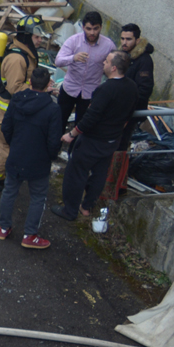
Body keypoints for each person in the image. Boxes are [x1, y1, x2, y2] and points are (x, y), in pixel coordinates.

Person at [52, 50, 138, 220]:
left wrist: (72, 134)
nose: (103, 63)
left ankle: (69, 210)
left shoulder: (105, 89)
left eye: (106, 61)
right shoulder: (132, 87)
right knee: (99, 174)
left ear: (113, 68)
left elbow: (91, 117)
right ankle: (86, 207)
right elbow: (129, 114)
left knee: (76, 172)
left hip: (93, 140)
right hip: (112, 140)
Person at [0, 13, 43, 191]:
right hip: (6, 110)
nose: (40, 40)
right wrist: (39, 89)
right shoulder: (17, 59)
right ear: (27, 36)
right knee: (5, 147)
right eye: (37, 37)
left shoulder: (24, 53)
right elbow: (15, 88)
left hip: (5, 109)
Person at [0, 67, 63, 249]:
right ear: (49, 84)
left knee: (9, 191)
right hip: (39, 160)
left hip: (17, 155)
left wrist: (14, 144)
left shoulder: (17, 100)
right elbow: (53, 140)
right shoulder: (52, 109)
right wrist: (51, 156)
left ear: (29, 82)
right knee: (38, 197)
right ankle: (30, 235)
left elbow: (6, 127)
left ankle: (3, 228)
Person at [53, 11, 115, 129]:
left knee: (82, 127)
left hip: (90, 93)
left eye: (95, 29)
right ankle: (56, 146)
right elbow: (58, 61)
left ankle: (75, 146)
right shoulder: (73, 41)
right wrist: (73, 58)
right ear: (83, 27)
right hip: (69, 89)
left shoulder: (109, 45)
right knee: (59, 122)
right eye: (89, 29)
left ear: (101, 27)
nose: (92, 32)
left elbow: (113, 68)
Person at [118, 22, 156, 147]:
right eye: (122, 38)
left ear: (137, 40)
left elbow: (144, 89)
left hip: (129, 112)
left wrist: (127, 111)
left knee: (120, 144)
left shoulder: (144, 60)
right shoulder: (123, 55)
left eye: (128, 39)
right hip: (118, 108)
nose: (124, 42)